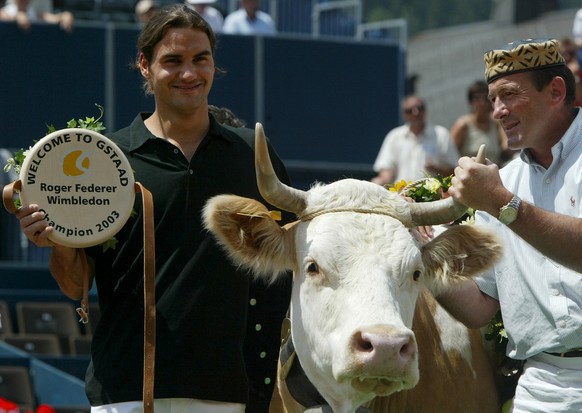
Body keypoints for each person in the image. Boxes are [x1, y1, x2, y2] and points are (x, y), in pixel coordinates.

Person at [12, 4, 292, 412]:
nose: (189, 74)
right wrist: (58, 238)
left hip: (227, 392)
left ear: (214, 64)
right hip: (126, 390)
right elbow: (75, 286)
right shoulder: (108, 158)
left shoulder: (253, 153)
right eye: (172, 61)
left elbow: (294, 253)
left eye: (201, 59)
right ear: (144, 65)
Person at [440, 38, 582, 413]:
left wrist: (500, 202)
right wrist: (423, 255)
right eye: (492, 100)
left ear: (555, 91)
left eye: (509, 95)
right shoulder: (501, 182)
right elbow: (481, 307)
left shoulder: (496, 192)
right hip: (542, 387)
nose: (498, 111)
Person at [371, 95, 459, 185]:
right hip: (401, 194)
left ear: (425, 111)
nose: (415, 113)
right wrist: (384, 180)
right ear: (404, 115)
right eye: (409, 111)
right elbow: (386, 167)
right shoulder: (394, 136)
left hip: (434, 196)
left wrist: (437, 168)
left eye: (419, 108)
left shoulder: (442, 135)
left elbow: (454, 171)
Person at [450, 80, 512, 166]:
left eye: (486, 98)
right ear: (471, 101)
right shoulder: (463, 125)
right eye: (477, 98)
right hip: (470, 175)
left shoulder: (496, 124)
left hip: (494, 173)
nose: (482, 103)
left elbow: (507, 145)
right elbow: (450, 155)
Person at [0, 0, 73, 32]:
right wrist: (16, 18)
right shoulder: (4, 13)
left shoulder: (36, 14)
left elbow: (54, 18)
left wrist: (64, 16)